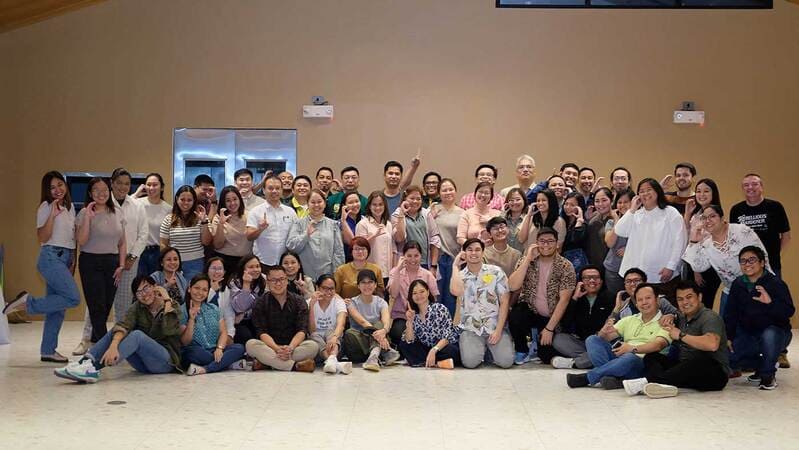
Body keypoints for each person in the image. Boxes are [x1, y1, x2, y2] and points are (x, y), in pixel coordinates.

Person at [4, 171, 80, 363]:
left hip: (65, 258)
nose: (57, 190)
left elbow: (72, 240)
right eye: (52, 187)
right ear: (47, 191)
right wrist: (53, 216)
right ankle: (27, 303)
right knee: (72, 298)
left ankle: (48, 350)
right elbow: (42, 238)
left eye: (60, 185)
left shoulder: (70, 208)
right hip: (50, 258)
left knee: (57, 308)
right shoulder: (45, 207)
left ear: (65, 185)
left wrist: (73, 261)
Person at [53, 276, 181, 383]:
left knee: (137, 335)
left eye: (146, 288)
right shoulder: (137, 307)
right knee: (117, 331)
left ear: (155, 286)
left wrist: (166, 300)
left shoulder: (173, 305)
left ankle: (92, 369)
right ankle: (83, 363)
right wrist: (113, 346)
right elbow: (123, 325)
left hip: (165, 362)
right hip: (143, 365)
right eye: (139, 292)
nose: (144, 294)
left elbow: (169, 330)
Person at [623, 280, 729, 398]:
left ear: (699, 297)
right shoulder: (681, 316)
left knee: (699, 360)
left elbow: (712, 344)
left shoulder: (709, 317)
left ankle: (650, 382)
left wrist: (681, 335)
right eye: (680, 299)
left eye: (689, 297)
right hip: (686, 372)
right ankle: (665, 386)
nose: (685, 302)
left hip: (713, 374)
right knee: (651, 356)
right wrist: (670, 316)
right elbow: (673, 315)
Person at [566, 283, 671, 389]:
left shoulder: (666, 321)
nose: (644, 302)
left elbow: (658, 345)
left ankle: (588, 378)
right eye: (640, 300)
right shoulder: (630, 319)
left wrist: (632, 348)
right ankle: (611, 377)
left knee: (629, 357)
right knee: (592, 340)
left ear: (657, 300)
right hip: (621, 358)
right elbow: (606, 336)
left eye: (648, 298)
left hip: (642, 364)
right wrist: (604, 331)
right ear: (636, 303)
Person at [724, 246, 795, 390]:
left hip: (777, 334)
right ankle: (762, 366)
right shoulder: (738, 284)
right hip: (750, 334)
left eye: (752, 260)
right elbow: (730, 313)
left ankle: (768, 375)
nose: (747, 264)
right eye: (743, 261)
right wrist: (729, 337)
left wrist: (770, 303)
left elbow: (789, 311)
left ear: (762, 263)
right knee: (730, 357)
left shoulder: (776, 283)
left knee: (769, 335)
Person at [682, 205, 769, 316]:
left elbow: (763, 257)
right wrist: (694, 240)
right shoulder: (706, 243)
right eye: (704, 218)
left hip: (756, 288)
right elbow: (698, 267)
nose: (708, 220)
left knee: (759, 327)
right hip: (731, 291)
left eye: (712, 216)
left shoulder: (741, 231)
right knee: (727, 330)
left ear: (722, 218)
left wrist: (768, 285)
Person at [508, 228, 576, 365]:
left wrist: (549, 329)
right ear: (536, 243)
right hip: (531, 310)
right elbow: (512, 286)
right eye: (542, 241)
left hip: (552, 316)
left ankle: (538, 341)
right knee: (516, 315)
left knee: (545, 356)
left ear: (557, 244)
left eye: (550, 241)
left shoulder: (565, 266)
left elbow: (564, 300)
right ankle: (522, 349)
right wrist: (527, 259)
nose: (546, 245)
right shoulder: (527, 260)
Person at [614, 178, 686, 300]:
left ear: (658, 192)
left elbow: (680, 241)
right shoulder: (636, 214)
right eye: (641, 191)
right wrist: (632, 209)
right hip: (637, 276)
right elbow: (620, 230)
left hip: (661, 273)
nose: (645, 194)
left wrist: (671, 266)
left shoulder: (670, 213)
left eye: (649, 190)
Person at [77, 177, 127, 345]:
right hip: (90, 261)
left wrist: (121, 265)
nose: (101, 193)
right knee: (96, 306)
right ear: (90, 193)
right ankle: (104, 345)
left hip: (112, 262)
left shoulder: (117, 212)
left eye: (104, 189)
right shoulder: (84, 213)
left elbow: (122, 242)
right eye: (96, 190)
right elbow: (81, 241)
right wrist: (88, 218)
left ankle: (94, 340)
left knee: (106, 306)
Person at [450, 238, 514, 369]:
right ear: (464, 253)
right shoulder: (460, 275)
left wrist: (498, 330)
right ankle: (484, 351)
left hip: (494, 327)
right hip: (471, 328)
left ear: (483, 252)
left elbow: (504, 301)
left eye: (477, 250)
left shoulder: (496, 272)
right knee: (470, 363)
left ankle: (490, 351)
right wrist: (455, 266)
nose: (474, 253)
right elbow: (455, 291)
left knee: (506, 362)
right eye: (470, 250)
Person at [245, 266, 319, 372]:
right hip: (270, 347)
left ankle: (268, 363)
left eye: (281, 279)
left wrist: (290, 348)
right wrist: (277, 349)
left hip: (293, 347)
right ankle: (295, 366)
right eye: (274, 280)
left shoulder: (299, 301)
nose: (278, 283)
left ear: (287, 280)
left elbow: (302, 330)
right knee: (251, 345)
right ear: (267, 282)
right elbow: (261, 332)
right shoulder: (260, 303)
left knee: (313, 346)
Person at [180, 274, 247, 376]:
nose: (200, 292)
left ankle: (205, 369)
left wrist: (219, 348)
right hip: (195, 350)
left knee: (239, 348)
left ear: (208, 292)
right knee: (194, 353)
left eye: (204, 290)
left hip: (214, 350)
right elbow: (185, 342)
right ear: (189, 289)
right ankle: (227, 363)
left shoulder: (214, 308)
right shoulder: (181, 310)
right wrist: (192, 319)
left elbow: (223, 332)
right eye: (197, 288)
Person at [550, 265, 614, 370]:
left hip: (602, 342)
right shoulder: (577, 299)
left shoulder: (610, 297)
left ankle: (574, 363)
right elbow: (565, 324)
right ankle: (592, 359)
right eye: (587, 278)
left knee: (611, 350)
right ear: (581, 281)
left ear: (602, 281)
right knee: (558, 339)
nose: (592, 281)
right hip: (583, 343)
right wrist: (575, 298)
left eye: (596, 277)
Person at [729, 173, 790, 279]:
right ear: (742, 189)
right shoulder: (736, 210)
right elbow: (733, 238)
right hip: (746, 267)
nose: (750, 187)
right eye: (746, 185)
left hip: (771, 265)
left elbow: (786, 235)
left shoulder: (775, 207)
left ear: (761, 187)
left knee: (772, 295)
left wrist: (774, 254)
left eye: (754, 184)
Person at [109, 168, 148, 322]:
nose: (122, 187)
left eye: (126, 184)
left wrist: (132, 256)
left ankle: (120, 339)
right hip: (105, 259)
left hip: (129, 260)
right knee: (99, 302)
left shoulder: (137, 206)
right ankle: (89, 339)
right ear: (111, 183)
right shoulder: (103, 203)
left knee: (124, 303)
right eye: (119, 183)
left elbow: (143, 234)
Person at [343, 269, 399, 370]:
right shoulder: (351, 303)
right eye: (363, 282)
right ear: (358, 285)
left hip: (378, 339)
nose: (367, 285)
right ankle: (383, 352)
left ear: (375, 285)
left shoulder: (381, 302)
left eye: (370, 282)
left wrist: (384, 330)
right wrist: (381, 337)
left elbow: (386, 321)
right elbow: (362, 322)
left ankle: (373, 356)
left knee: (379, 324)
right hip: (360, 343)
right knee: (349, 333)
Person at [386, 241, 440, 347]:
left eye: (416, 256)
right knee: (398, 333)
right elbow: (393, 293)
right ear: (403, 256)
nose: (413, 259)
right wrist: (398, 270)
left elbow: (434, 300)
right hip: (401, 316)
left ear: (421, 256)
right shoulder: (394, 272)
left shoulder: (428, 275)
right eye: (409, 256)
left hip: (423, 316)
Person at [286, 189, 345, 280]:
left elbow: (338, 252)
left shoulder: (333, 225)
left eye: (319, 202)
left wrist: (336, 274)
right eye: (312, 202)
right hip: (304, 276)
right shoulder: (298, 223)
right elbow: (291, 246)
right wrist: (306, 235)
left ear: (324, 204)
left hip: (327, 276)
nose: (316, 205)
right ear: (307, 204)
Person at [681, 178, 723, 310]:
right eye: (698, 191)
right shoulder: (697, 214)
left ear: (713, 193)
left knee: (704, 304)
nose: (701, 194)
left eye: (706, 191)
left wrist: (697, 270)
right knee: (690, 304)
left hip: (707, 267)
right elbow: (686, 236)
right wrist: (687, 213)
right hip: (692, 264)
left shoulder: (715, 215)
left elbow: (707, 244)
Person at [400, 280, 460, 369]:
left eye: (422, 291)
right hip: (426, 348)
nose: (419, 295)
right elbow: (410, 340)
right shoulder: (413, 314)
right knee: (404, 345)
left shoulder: (440, 308)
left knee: (451, 351)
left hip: (442, 347)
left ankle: (424, 362)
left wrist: (434, 350)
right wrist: (409, 322)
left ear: (428, 292)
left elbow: (447, 336)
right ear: (411, 296)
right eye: (414, 293)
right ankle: (438, 364)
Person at [159, 185, 212, 280]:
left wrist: (204, 221)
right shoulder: (168, 219)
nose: (186, 203)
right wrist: (168, 261)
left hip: (196, 263)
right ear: (177, 199)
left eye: (189, 200)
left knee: (194, 293)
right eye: (182, 199)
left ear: (194, 201)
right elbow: (163, 244)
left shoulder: (201, 217)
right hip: (174, 264)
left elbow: (206, 242)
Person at [429, 178, 464, 317]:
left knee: (451, 297)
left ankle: (449, 333)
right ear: (439, 192)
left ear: (455, 191)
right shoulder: (433, 210)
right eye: (444, 190)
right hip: (436, 259)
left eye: (450, 189)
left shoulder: (462, 212)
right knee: (435, 295)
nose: (448, 192)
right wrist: (430, 216)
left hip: (453, 259)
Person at [246, 175, 297, 266]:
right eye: (270, 188)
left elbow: (295, 236)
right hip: (262, 262)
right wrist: (260, 229)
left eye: (277, 188)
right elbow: (249, 237)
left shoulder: (290, 212)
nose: (274, 191)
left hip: (284, 263)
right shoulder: (255, 211)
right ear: (264, 190)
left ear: (281, 190)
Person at [392, 186, 441, 274]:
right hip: (405, 264)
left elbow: (435, 240)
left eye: (418, 199)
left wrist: (434, 266)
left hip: (426, 263)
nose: (415, 201)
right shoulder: (397, 214)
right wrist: (401, 214)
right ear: (404, 199)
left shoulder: (426, 214)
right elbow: (399, 238)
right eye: (412, 198)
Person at [308, 275, 351, 374]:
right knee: (315, 335)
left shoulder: (339, 302)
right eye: (325, 288)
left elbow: (341, 324)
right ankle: (334, 363)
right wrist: (311, 306)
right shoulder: (309, 302)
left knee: (331, 332)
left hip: (335, 345)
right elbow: (311, 330)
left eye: (331, 289)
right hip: (317, 345)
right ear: (317, 288)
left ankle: (331, 360)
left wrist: (334, 337)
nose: (329, 292)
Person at [133, 173, 173, 278]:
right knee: (139, 286)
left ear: (162, 187)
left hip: (158, 253)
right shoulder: (137, 203)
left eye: (155, 185)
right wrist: (136, 193)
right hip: (138, 252)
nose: (151, 188)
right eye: (148, 184)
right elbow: (123, 207)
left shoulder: (168, 209)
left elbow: (169, 237)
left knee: (156, 286)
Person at [355, 191, 396, 284]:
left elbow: (393, 249)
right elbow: (358, 248)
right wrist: (375, 235)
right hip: (369, 274)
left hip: (387, 273)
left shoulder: (388, 224)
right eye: (374, 204)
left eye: (380, 204)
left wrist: (394, 272)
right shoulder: (363, 224)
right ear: (369, 206)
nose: (378, 208)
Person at [609, 268, 678, 321]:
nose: (632, 284)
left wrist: (671, 316)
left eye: (636, 280)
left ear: (645, 283)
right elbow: (607, 330)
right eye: (628, 281)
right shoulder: (622, 306)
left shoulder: (659, 300)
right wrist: (616, 309)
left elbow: (678, 317)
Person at [211, 186, 252, 273]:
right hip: (224, 261)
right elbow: (217, 245)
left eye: (235, 199)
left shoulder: (249, 215)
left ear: (240, 199)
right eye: (228, 200)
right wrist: (221, 224)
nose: (232, 203)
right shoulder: (218, 218)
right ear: (223, 203)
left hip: (245, 261)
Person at [228, 254, 266, 345]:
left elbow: (262, 306)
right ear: (243, 269)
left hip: (256, 318)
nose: (256, 270)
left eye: (257, 266)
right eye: (251, 267)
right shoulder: (234, 283)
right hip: (238, 321)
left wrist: (245, 313)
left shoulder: (264, 280)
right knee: (246, 336)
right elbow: (240, 308)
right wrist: (246, 285)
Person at [603, 188, 633, 295]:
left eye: (626, 202)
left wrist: (629, 249)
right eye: (619, 202)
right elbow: (610, 243)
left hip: (633, 270)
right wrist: (617, 220)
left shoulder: (639, 221)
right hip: (613, 269)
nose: (622, 205)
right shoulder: (611, 222)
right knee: (615, 300)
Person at [203, 257, 235, 341]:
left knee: (239, 347)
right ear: (207, 270)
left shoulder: (226, 290)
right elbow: (203, 308)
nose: (216, 272)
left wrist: (230, 334)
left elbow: (228, 313)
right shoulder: (199, 285)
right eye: (213, 268)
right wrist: (213, 290)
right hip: (202, 329)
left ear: (224, 272)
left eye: (220, 269)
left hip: (220, 329)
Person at [560, 192, 588, 273]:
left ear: (580, 207)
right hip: (562, 261)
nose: (568, 207)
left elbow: (575, 239)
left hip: (575, 263)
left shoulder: (583, 224)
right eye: (566, 204)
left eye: (572, 205)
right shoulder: (562, 221)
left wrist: (579, 221)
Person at [585, 187, 613, 268]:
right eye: (597, 201)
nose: (600, 204)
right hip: (591, 262)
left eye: (604, 200)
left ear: (611, 201)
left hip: (608, 266)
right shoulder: (594, 215)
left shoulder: (615, 219)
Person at [339, 191, 363, 261]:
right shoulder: (338, 223)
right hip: (347, 261)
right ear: (344, 206)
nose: (355, 205)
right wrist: (343, 221)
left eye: (357, 201)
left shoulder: (365, 220)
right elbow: (352, 243)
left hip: (364, 260)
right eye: (350, 202)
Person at [503, 187, 528, 253]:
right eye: (511, 200)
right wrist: (502, 212)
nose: (515, 202)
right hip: (504, 257)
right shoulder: (503, 218)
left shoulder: (529, 218)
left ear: (524, 200)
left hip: (524, 257)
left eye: (518, 199)